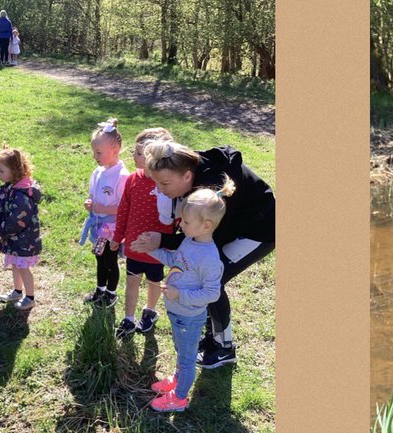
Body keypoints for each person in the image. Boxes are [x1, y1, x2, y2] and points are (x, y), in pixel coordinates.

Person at [133, 132, 275, 369]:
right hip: (231, 226)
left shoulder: (210, 193)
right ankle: (212, 337)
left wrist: (163, 240)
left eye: (164, 184)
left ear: (187, 176)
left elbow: (202, 240)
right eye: (156, 183)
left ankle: (223, 347)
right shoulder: (185, 169)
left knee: (213, 281)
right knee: (203, 275)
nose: (160, 189)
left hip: (260, 230)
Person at [147, 186, 228, 413]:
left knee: (187, 357)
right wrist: (151, 250)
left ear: (206, 225)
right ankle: (177, 378)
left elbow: (212, 293)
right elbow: (176, 261)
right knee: (181, 351)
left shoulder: (209, 258)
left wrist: (180, 294)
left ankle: (180, 398)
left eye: (186, 221)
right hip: (177, 311)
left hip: (189, 317)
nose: (180, 224)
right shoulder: (190, 241)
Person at [110, 127, 175, 336]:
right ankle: (128, 319)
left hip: (157, 249)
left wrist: (173, 242)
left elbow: (176, 215)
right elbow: (123, 210)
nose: (134, 156)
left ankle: (150, 311)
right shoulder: (132, 179)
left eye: (139, 153)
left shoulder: (166, 184)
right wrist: (118, 236)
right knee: (131, 282)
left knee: (154, 281)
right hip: (134, 247)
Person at [80, 119, 128, 308]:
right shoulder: (98, 172)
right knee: (99, 258)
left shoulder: (122, 176)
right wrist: (90, 203)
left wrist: (104, 209)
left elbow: (125, 207)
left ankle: (111, 293)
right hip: (98, 226)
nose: (95, 156)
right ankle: (100, 289)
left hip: (113, 228)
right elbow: (93, 194)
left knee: (110, 260)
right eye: (94, 152)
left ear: (115, 150)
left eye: (99, 153)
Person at [0, 147, 42, 310]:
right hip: (16, 240)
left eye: (1, 171)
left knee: (23, 268)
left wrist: (0, 227)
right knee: (15, 265)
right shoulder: (13, 187)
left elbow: (16, 221)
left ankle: (30, 297)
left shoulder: (21, 195)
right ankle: (17, 291)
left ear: (14, 171)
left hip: (24, 241)